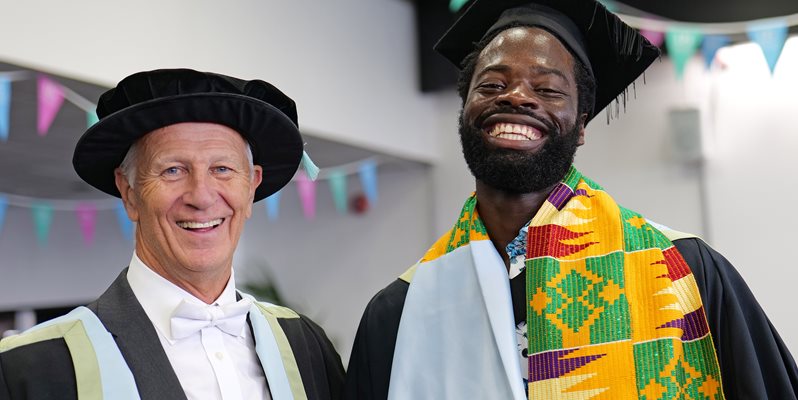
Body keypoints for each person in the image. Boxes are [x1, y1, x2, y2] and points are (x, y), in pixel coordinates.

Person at [344, 1, 798, 399]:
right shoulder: (401, 311)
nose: (517, 97)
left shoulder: (686, 272)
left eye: (547, 89)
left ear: (581, 125)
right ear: (465, 112)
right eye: (491, 85)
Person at [0, 69, 344, 400]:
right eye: (173, 170)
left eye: (222, 169)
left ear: (251, 187)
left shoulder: (305, 347)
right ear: (130, 192)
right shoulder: (31, 368)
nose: (201, 196)